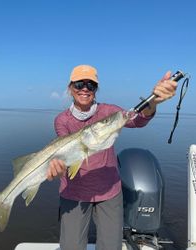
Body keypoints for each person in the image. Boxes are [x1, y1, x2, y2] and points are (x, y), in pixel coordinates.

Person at [47, 65, 177, 250]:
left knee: (111, 247)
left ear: (96, 90)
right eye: (79, 84)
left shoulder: (109, 112)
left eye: (90, 85)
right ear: (70, 88)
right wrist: (57, 167)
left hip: (109, 191)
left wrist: (153, 102)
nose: (85, 88)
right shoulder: (62, 120)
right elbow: (63, 151)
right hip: (73, 192)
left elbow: (136, 119)